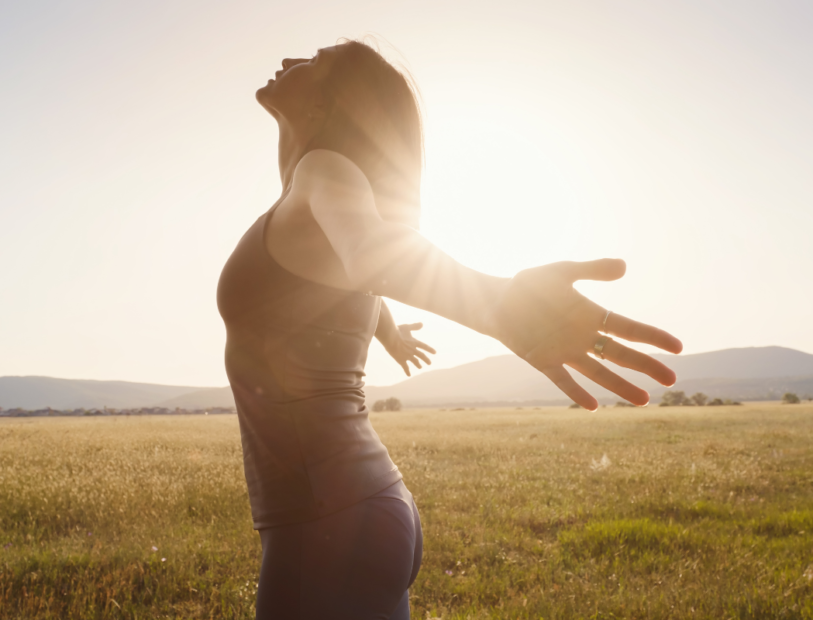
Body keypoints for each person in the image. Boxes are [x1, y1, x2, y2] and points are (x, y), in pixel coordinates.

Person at [217, 40, 682, 620]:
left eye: (315, 59)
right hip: (361, 508)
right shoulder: (310, 195)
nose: (289, 60)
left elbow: (370, 256)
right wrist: (388, 330)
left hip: (326, 520)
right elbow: (344, 275)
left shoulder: (324, 169)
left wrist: (504, 306)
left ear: (325, 107)